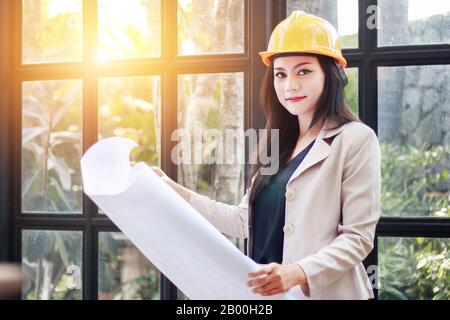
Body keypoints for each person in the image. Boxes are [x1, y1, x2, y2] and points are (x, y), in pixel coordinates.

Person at [152, 11, 381, 299]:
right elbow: (241, 220)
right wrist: (172, 190)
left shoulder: (355, 139)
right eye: (280, 74)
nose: (290, 85)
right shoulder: (276, 142)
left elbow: (358, 238)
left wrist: (296, 272)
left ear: (332, 75)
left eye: (304, 71)